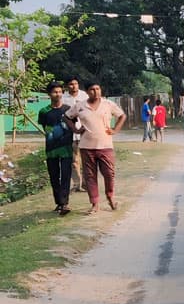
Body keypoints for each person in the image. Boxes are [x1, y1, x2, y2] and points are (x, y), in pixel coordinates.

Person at [64, 81, 126, 214]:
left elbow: (122, 116)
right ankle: (95, 203)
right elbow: (67, 116)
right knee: (90, 176)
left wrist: (115, 130)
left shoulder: (108, 104)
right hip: (86, 146)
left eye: (98, 89)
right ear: (86, 92)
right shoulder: (80, 106)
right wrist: (75, 129)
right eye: (92, 89)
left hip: (105, 146)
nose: (96, 92)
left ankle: (110, 197)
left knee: (109, 174)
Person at [39, 81, 73, 216]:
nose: (57, 94)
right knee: (54, 176)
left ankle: (64, 203)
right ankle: (58, 202)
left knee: (66, 175)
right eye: (54, 92)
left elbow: (72, 126)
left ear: (62, 93)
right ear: (49, 94)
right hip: (51, 150)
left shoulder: (68, 109)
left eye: (59, 91)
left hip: (67, 149)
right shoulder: (44, 112)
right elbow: (45, 129)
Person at [61, 76, 89, 193]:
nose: (74, 86)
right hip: (70, 133)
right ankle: (77, 184)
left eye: (76, 83)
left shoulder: (84, 96)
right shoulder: (63, 98)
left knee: (86, 159)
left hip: (84, 131)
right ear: (67, 86)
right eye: (71, 84)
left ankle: (86, 184)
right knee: (74, 160)